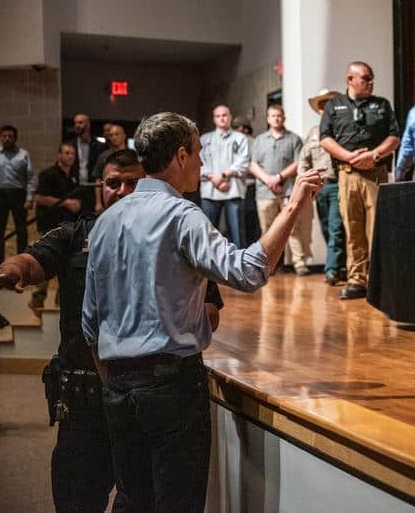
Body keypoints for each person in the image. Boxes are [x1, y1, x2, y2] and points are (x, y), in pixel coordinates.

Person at [81, 112, 323, 511]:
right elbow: (247, 271)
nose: (203, 163)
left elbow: (90, 321)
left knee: (130, 499)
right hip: (170, 387)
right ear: (180, 155)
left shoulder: (105, 222)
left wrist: (116, 378)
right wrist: (294, 204)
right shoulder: (181, 216)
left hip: (117, 387)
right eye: (198, 153)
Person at [0, 150, 225, 512]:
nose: (121, 191)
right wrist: (12, 269)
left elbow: (210, 311)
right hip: (84, 399)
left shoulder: (176, 233)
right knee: (77, 501)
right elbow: (30, 260)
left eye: (132, 182)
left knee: (144, 503)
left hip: (146, 396)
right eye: (113, 183)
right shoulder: (78, 233)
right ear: (100, 186)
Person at [320, 61, 400, 299]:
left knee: (376, 228)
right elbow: (325, 139)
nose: (370, 83)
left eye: (372, 78)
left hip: (375, 174)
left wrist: (373, 155)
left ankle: (379, 279)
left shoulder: (382, 104)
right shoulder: (334, 106)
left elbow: (394, 137)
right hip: (347, 175)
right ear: (350, 80)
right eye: (365, 78)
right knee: (352, 230)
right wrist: (349, 157)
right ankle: (357, 280)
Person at [249, 105, 311, 275]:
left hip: (288, 190)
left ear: (284, 118)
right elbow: (253, 165)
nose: (276, 118)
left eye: (279, 116)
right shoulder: (259, 140)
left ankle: (299, 263)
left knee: (292, 228)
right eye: (273, 116)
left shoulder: (294, 139)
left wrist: (279, 177)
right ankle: (268, 265)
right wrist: (268, 179)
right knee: (267, 230)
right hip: (264, 192)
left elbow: (298, 163)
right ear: (268, 118)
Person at [301, 90, 347, 285]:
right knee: (327, 228)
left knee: (336, 228)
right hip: (320, 187)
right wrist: (305, 182)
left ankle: (331, 270)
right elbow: (304, 159)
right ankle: (341, 265)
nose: (325, 108)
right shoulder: (313, 133)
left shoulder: (342, 128)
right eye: (322, 105)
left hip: (338, 183)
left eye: (329, 104)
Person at [31, 143, 81, 316]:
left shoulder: (72, 177)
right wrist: (66, 203)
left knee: (68, 266)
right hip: (50, 225)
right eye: (66, 153)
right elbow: (39, 198)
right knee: (45, 262)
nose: (70, 156)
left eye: (72, 153)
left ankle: (62, 303)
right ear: (59, 155)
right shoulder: (48, 174)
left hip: (67, 227)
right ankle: (37, 301)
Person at [200, 104, 250, 248]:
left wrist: (222, 176)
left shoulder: (240, 138)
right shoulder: (205, 139)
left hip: (233, 190)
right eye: (218, 116)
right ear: (214, 119)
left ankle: (240, 268)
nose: (222, 118)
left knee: (237, 234)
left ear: (230, 117)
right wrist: (213, 178)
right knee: (208, 233)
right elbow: (199, 162)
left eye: (224, 115)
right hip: (210, 191)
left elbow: (243, 161)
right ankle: (208, 269)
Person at [0, 125, 34, 264]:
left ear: (15, 138)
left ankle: (21, 261)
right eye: (4, 136)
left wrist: (29, 198)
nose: (7, 139)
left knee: (21, 229)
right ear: (1, 137)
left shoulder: (23, 154)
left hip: (18, 194)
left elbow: (30, 178)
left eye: (10, 136)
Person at [233, 116, 261, 246]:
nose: (236, 130)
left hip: (249, 186)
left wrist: (240, 170)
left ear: (245, 129)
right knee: (238, 220)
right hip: (236, 186)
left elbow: (254, 165)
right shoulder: (234, 140)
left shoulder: (252, 142)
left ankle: (249, 248)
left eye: (238, 128)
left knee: (249, 219)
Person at [69, 113, 105, 213]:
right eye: (75, 123)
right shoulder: (70, 145)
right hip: (75, 189)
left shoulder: (99, 146)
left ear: (88, 125)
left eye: (80, 122)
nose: (77, 125)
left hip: (92, 189)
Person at [91, 124, 128, 213]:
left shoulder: (133, 155)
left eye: (116, 134)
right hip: (111, 197)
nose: (114, 137)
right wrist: (98, 202)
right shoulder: (103, 156)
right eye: (111, 135)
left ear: (123, 136)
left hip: (129, 196)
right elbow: (98, 180)